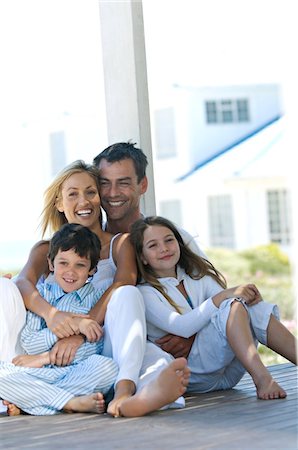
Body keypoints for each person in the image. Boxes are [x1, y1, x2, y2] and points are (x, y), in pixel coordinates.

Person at [1, 161, 190, 417]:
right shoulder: (46, 249)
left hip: (102, 344)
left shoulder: (119, 244)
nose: (84, 201)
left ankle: (126, 397)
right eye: (73, 194)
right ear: (59, 203)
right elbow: (23, 283)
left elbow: (124, 282)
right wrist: (52, 315)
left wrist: (81, 332)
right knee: (4, 287)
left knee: (137, 333)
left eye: (90, 192)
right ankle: (57, 398)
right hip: (42, 353)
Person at [129, 216, 298, 400]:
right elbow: (182, 327)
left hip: (228, 371)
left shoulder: (198, 277)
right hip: (193, 374)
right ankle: (263, 379)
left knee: (247, 306)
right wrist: (224, 296)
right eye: (153, 245)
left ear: (178, 243)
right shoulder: (146, 293)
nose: (164, 248)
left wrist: (243, 297)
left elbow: (229, 309)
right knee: (231, 304)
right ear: (143, 258)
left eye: (169, 240)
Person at [93, 141, 204, 358]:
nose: (112, 193)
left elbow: (214, 295)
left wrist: (194, 334)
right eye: (104, 183)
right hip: (116, 357)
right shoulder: (93, 251)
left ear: (143, 185)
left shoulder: (174, 241)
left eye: (123, 183)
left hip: (182, 362)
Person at [0, 223, 118, 415]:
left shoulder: (96, 299)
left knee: (107, 367)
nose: (70, 272)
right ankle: (69, 402)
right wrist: (74, 325)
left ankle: (33, 402)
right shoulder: (41, 296)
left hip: (75, 372)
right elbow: (29, 342)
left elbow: (93, 346)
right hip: (36, 375)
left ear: (92, 269)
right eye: (63, 263)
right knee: (2, 373)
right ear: (51, 263)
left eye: (80, 265)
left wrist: (44, 357)